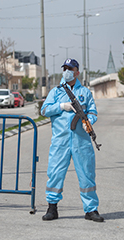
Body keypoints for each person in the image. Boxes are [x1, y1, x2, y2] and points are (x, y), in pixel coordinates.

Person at [41, 58, 104, 222]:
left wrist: (89, 121)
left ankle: (91, 210)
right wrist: (61, 106)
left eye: (70, 68)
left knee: (87, 175)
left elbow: (93, 112)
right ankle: (52, 208)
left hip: (81, 141)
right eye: (65, 68)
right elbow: (45, 110)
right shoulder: (56, 92)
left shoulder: (85, 92)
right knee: (55, 174)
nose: (66, 71)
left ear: (77, 72)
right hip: (60, 141)